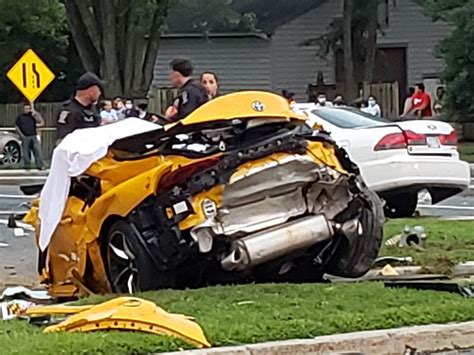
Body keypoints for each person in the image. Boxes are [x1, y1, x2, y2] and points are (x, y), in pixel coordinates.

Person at [56, 72, 104, 142]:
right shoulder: (69, 111)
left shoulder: (94, 109)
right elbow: (63, 141)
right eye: (99, 90)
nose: (100, 93)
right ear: (92, 91)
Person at [165, 58, 208, 122]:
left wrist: (171, 117)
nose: (170, 77)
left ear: (177, 74)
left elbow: (186, 115)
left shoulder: (189, 91)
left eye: (171, 73)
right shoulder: (196, 88)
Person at [15, 102, 44, 170]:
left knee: (37, 151)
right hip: (25, 136)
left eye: (29, 108)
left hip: (33, 135)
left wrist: (35, 114)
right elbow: (16, 126)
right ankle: (27, 166)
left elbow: (41, 122)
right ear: (23, 109)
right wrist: (21, 135)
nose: (27, 110)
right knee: (26, 152)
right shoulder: (20, 116)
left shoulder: (33, 115)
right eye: (26, 108)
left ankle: (40, 165)